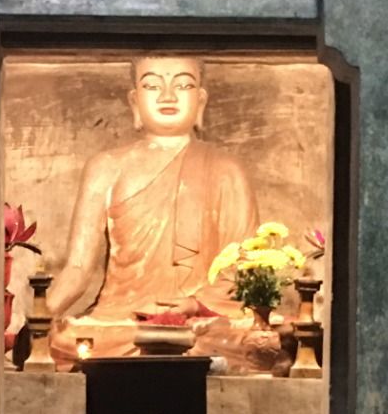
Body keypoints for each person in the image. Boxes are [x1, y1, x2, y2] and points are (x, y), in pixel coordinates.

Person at [46, 56, 258, 361]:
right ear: (134, 100)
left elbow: (242, 272)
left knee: (255, 341)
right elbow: (78, 268)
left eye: (183, 84)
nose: (168, 96)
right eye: (152, 85)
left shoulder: (227, 170)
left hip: (201, 324)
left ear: (200, 100)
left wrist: (194, 305)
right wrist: (39, 318)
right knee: (67, 340)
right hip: (122, 320)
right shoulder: (106, 167)